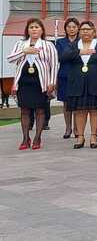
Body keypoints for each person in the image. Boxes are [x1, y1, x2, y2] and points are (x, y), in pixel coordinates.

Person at [62, 21, 97, 149]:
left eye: (88, 29)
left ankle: (93, 136)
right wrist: (79, 52)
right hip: (78, 83)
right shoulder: (73, 45)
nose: (85, 31)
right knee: (80, 111)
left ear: (94, 31)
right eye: (83, 29)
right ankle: (80, 136)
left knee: (94, 110)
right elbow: (63, 57)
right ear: (79, 32)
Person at [7, 18, 58, 150]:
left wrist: (52, 82)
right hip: (24, 82)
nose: (34, 29)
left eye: (36, 27)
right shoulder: (20, 44)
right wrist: (25, 51)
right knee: (24, 110)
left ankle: (37, 138)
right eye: (31, 27)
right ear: (27, 30)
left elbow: (54, 65)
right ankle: (25, 139)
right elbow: (10, 59)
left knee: (40, 110)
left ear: (42, 30)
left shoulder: (48, 45)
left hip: (40, 83)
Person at [55, 17, 79, 138]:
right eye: (69, 27)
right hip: (64, 75)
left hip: (79, 75)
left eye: (74, 27)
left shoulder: (81, 41)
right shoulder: (60, 42)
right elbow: (59, 57)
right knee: (66, 103)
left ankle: (76, 128)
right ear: (65, 29)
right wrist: (76, 53)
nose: (71, 29)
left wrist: (69, 54)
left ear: (78, 28)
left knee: (77, 103)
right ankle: (68, 127)